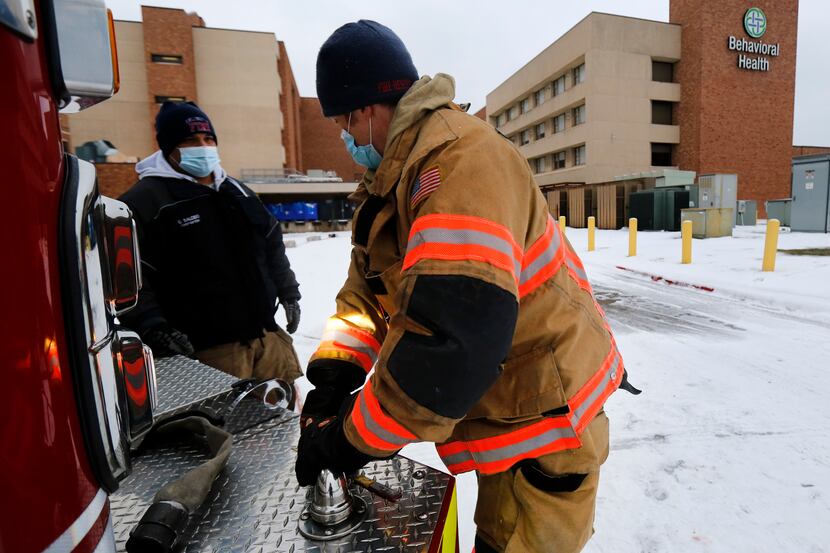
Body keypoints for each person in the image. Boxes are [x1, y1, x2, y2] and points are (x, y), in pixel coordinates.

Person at [294, 20, 639, 553]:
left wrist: (349, 439)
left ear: (366, 109)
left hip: (545, 422)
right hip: (506, 405)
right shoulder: (395, 179)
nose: (343, 137)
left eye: (342, 120)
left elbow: (448, 347)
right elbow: (365, 293)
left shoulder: (460, 164)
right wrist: (334, 375)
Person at [120, 101, 302, 388]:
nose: (202, 146)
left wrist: (288, 292)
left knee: (285, 419)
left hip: (266, 339)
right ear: (169, 148)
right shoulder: (145, 202)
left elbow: (271, 246)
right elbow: (128, 276)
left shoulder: (237, 192)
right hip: (207, 353)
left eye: (208, 139)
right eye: (190, 140)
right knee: (219, 431)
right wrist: (152, 325)